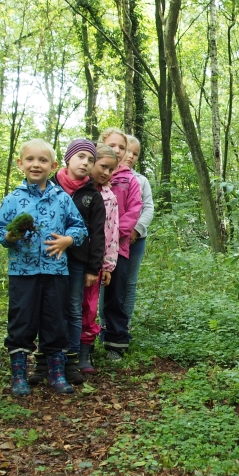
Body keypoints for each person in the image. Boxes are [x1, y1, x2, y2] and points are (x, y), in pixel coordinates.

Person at [0, 138, 87, 396]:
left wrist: (68, 240)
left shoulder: (62, 198)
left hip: (55, 271)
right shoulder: (13, 199)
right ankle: (19, 375)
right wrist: (10, 237)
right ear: (20, 164)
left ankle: (56, 372)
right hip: (22, 272)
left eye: (43, 160)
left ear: (53, 165)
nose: (36, 165)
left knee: (56, 321)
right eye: (30, 160)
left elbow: (80, 228)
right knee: (21, 320)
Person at [49, 138, 105, 385]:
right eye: (81, 156)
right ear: (68, 158)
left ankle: (70, 358)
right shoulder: (50, 187)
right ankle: (50, 357)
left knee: (73, 307)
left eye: (90, 159)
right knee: (52, 308)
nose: (85, 162)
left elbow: (98, 234)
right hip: (50, 259)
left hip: (78, 261)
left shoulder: (93, 196)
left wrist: (94, 267)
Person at [98, 127, 143, 360]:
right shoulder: (91, 174)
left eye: (121, 147)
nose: (117, 150)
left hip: (119, 249)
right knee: (82, 295)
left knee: (116, 294)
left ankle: (116, 343)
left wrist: (114, 234)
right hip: (88, 249)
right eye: (112, 145)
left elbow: (135, 209)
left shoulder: (130, 180)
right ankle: (78, 344)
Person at [78, 143, 121, 374]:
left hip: (95, 262)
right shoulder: (76, 191)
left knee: (89, 307)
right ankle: (64, 352)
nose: (106, 173)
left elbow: (111, 233)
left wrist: (107, 266)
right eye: (103, 166)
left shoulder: (109, 197)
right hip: (73, 259)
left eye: (111, 169)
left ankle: (85, 354)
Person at [121, 134, 154, 336]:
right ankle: (105, 324)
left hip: (136, 239)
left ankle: (124, 324)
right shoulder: (107, 177)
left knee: (129, 282)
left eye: (135, 154)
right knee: (108, 281)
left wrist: (136, 230)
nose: (131, 156)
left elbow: (148, 208)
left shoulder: (141, 181)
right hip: (113, 241)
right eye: (128, 151)